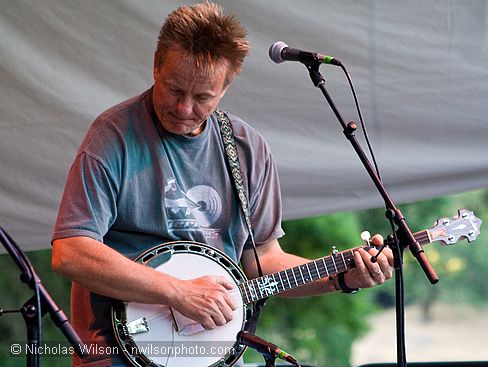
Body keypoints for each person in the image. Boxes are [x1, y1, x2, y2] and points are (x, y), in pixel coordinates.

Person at [51, 2, 394, 366]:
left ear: (226, 88)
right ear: (156, 64)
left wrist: (340, 278)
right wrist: (178, 292)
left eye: (202, 97)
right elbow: (71, 251)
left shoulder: (248, 149)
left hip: (213, 355)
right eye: (174, 89)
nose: (184, 108)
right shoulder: (113, 137)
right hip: (119, 354)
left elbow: (262, 262)